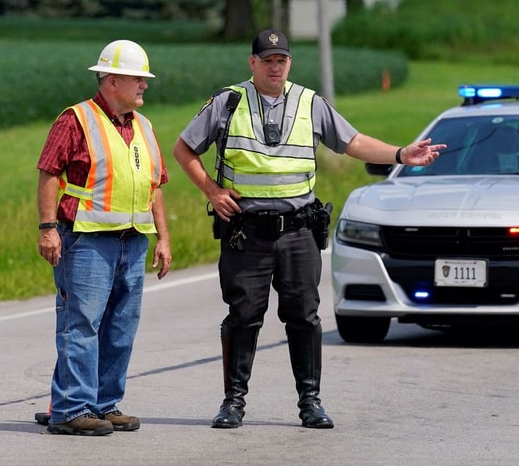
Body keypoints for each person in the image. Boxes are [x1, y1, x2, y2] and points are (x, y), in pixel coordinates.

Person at [173, 29, 444, 429]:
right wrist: (212, 192)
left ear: (289, 63)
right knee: (243, 316)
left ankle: (310, 403)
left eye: (281, 59)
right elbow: (184, 149)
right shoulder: (227, 102)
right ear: (252, 64)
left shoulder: (309, 102)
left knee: (304, 316)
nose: (274, 66)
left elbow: (352, 142)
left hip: (297, 230)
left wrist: (401, 153)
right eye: (267, 60)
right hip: (244, 232)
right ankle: (233, 403)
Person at [36, 39, 172, 436]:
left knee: (120, 328)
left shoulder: (143, 127)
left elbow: (156, 186)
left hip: (133, 242)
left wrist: (162, 238)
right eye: (137, 79)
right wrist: (47, 229)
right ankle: (70, 409)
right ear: (112, 81)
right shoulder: (75, 120)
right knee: (81, 325)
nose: (145, 85)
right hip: (86, 241)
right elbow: (48, 173)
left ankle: (104, 404)